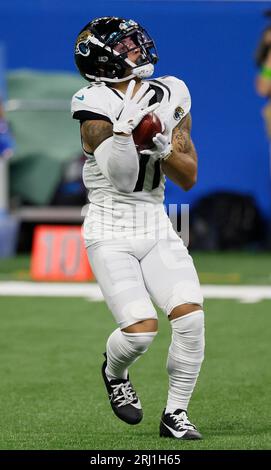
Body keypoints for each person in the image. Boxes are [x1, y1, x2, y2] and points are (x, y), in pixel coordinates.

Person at [72, 16, 205, 440]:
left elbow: (188, 177)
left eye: (134, 41)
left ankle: (176, 415)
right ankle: (114, 373)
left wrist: (164, 147)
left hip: (156, 221)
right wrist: (126, 131)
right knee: (141, 330)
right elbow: (124, 179)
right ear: (102, 59)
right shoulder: (92, 104)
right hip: (109, 227)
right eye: (126, 45)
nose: (137, 48)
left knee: (190, 317)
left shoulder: (170, 91)